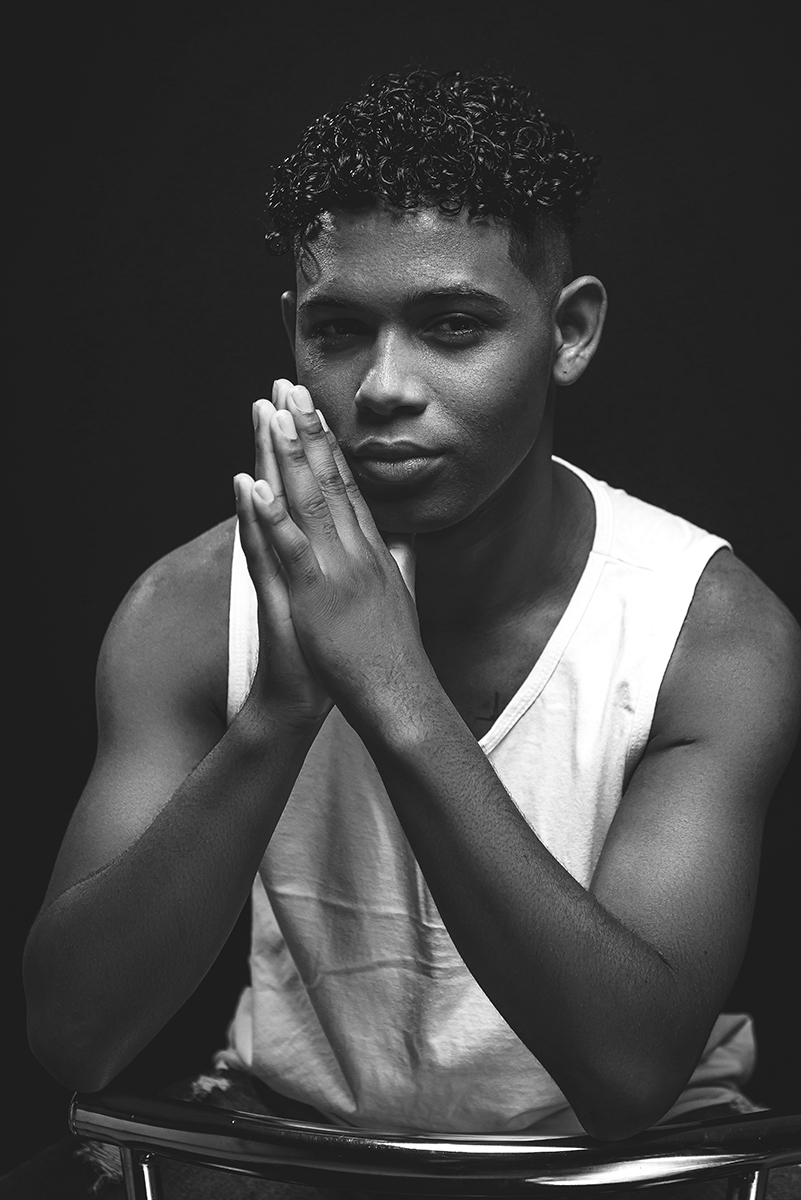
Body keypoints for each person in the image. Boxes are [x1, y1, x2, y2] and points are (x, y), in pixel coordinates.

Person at [14, 69, 800, 1197]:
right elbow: (74, 1039)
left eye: (453, 327)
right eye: (340, 332)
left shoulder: (711, 630)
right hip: (291, 1147)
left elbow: (628, 1067)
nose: (384, 387)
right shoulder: (188, 608)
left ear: (568, 332)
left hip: (632, 1167)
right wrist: (281, 710)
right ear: (294, 333)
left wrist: (388, 680)